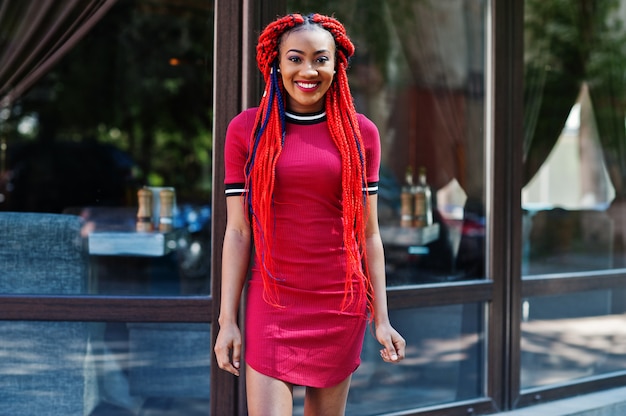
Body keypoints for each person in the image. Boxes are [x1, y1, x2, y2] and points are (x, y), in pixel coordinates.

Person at [214, 13, 406, 415]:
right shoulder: (246, 130)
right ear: (276, 64)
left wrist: (382, 318)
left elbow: (368, 234)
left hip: (339, 302)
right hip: (273, 302)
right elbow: (237, 233)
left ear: (337, 66)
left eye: (321, 59)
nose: (308, 70)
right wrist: (226, 319)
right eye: (295, 58)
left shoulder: (361, 134)